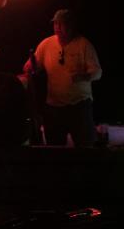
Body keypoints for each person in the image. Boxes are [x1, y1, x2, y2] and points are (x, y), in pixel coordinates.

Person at [24, 9, 102, 147]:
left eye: (62, 24)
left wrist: (84, 76)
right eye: (56, 24)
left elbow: (98, 72)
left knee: (85, 147)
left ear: (71, 25)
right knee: (54, 148)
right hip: (54, 107)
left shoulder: (83, 44)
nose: (58, 27)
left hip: (79, 106)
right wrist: (30, 66)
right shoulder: (46, 44)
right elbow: (31, 65)